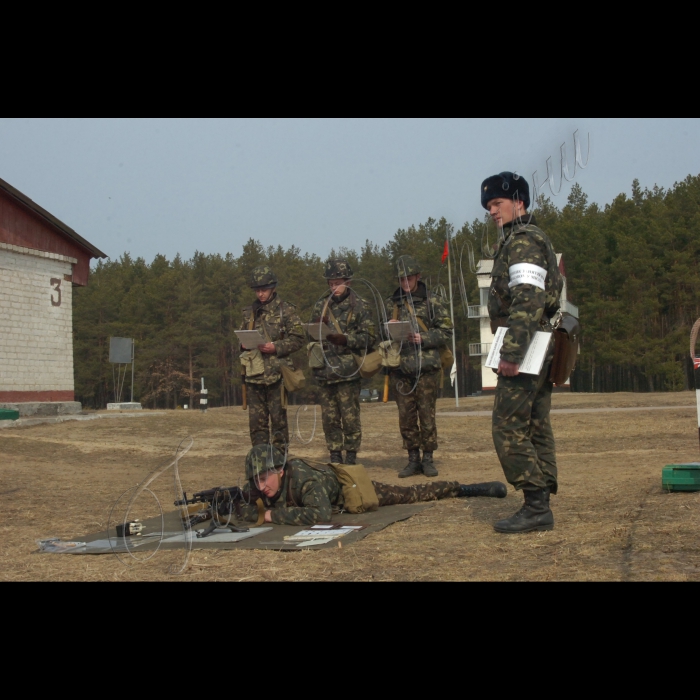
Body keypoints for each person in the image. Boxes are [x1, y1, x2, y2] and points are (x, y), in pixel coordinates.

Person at [482, 172, 563, 533]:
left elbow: (527, 299)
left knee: (508, 426)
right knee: (534, 423)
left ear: (519, 202)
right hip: (539, 343)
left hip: (527, 348)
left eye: (496, 203)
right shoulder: (526, 237)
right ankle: (540, 497)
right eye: (488, 206)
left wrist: (511, 353)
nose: (491, 211)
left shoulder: (523, 240)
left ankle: (535, 504)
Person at [235, 445, 506, 526]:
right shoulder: (262, 485)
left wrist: (268, 515)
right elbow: (245, 507)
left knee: (410, 494)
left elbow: (319, 514)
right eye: (256, 480)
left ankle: (463, 488)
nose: (261, 487)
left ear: (280, 470)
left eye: (264, 478)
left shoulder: (305, 479)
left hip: (350, 488)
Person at [385, 255, 453, 478]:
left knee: (427, 416)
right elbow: (379, 334)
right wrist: (389, 329)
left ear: (418, 277)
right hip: (401, 370)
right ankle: (412, 458)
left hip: (426, 370)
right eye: (401, 279)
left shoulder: (432, 301)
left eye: (409, 278)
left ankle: (428, 459)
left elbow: (446, 331)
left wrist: (422, 337)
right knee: (406, 418)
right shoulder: (391, 303)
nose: (405, 282)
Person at [309, 259, 375, 465]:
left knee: (350, 418)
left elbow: (370, 338)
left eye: (337, 282)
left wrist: (346, 339)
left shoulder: (361, 305)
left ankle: (351, 456)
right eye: (330, 283)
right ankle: (335, 455)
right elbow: (310, 336)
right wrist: (318, 328)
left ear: (348, 282)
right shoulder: (321, 306)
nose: (333, 287)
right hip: (325, 371)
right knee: (329, 418)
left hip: (349, 372)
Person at [240, 265, 304, 450]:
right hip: (254, 375)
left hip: (277, 375)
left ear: (273, 288)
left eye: (264, 290)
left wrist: (276, 347)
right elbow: (242, 337)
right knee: (256, 425)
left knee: (279, 423)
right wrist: (243, 344)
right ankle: (261, 463)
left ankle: (279, 464)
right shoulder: (249, 312)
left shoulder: (286, 310)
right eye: (257, 290)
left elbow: (299, 338)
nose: (260, 294)